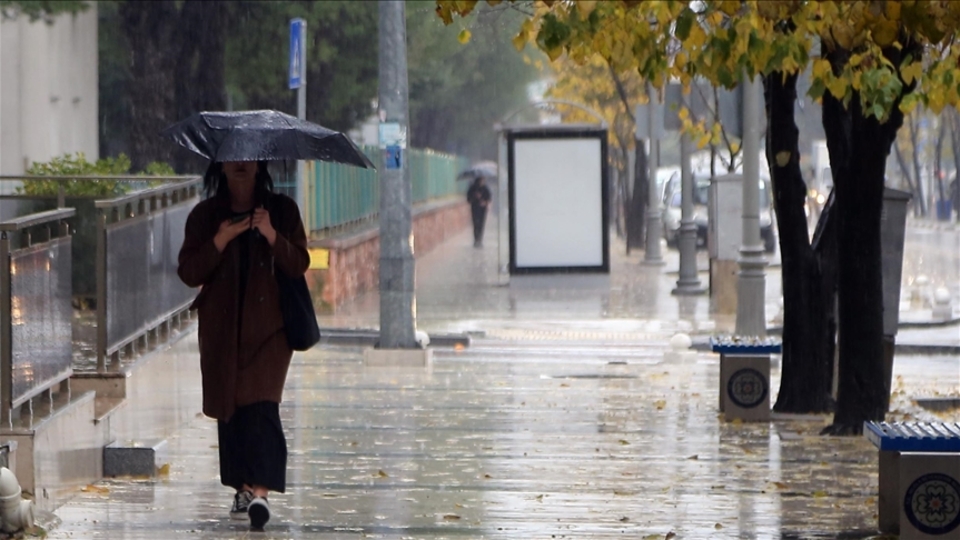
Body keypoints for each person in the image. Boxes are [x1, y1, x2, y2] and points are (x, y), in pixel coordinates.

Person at [177, 160, 309, 531]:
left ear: (259, 164)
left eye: (248, 157)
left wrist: (270, 234)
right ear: (220, 164)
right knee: (231, 408)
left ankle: (261, 494)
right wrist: (220, 239)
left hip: (270, 332)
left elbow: (299, 262)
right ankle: (245, 487)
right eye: (233, 156)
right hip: (222, 331)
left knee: (263, 406)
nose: (240, 163)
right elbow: (189, 272)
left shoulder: (281, 211)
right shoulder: (206, 216)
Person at [467, 176, 492, 247]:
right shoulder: (472, 188)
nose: (482, 182)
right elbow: (468, 199)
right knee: (475, 223)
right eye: (481, 180)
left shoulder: (485, 188)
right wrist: (474, 196)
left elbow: (489, 198)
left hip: (482, 209)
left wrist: (484, 202)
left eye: (483, 180)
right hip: (474, 208)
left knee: (481, 224)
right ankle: (476, 239)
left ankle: (480, 239)